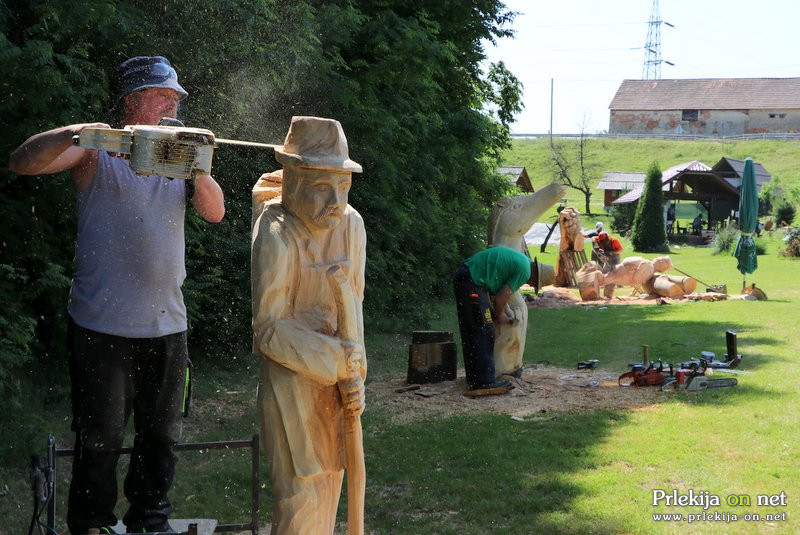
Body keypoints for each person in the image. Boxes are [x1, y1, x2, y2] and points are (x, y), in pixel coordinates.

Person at [9, 56, 225, 534]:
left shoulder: (179, 155)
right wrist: (77, 132)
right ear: (133, 100)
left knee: (162, 436)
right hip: (101, 327)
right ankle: (92, 524)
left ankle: (151, 520)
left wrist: (200, 171)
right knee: (100, 438)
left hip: (168, 323)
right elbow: (22, 162)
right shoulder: (96, 151)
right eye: (162, 95)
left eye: (176, 98)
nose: (173, 104)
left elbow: (214, 213)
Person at [251, 116, 366, 534]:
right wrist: (338, 361)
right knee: (302, 502)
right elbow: (268, 328)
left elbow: (355, 306)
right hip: (291, 382)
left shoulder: (351, 225)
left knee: (331, 488)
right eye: (322, 187)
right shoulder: (276, 233)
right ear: (294, 179)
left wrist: (357, 375)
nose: (336, 201)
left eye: (343, 187)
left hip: (336, 385)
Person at [453, 246, 539, 394]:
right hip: (471, 281)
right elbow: (499, 300)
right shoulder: (525, 271)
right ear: (535, 276)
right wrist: (499, 316)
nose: (529, 284)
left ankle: (475, 379)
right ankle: (484, 382)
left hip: (468, 278)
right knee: (484, 330)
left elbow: (496, 297)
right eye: (533, 283)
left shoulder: (521, 261)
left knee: (473, 329)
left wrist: (499, 314)